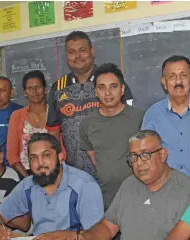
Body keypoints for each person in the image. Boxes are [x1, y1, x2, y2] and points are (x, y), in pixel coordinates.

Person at [67, 130, 190, 240]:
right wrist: (86, 237)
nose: (139, 163)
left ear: (163, 154)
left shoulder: (188, 192)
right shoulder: (129, 184)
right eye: (133, 156)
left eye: (146, 154)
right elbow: (108, 227)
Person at [0, 133, 103, 240]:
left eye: (46, 155)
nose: (40, 163)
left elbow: (97, 236)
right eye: (33, 158)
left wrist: (64, 236)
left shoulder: (85, 186)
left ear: (60, 157)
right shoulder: (28, 185)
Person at [46, 31, 134, 178]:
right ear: (66, 56)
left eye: (82, 51)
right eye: (72, 52)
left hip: (113, 168)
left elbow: (129, 122)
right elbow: (53, 132)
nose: (77, 56)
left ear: (92, 51)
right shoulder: (58, 88)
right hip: (74, 173)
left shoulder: (111, 81)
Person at [141, 55, 190, 190]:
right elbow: (146, 159)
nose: (178, 81)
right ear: (164, 83)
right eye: (172, 77)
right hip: (166, 196)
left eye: (183, 75)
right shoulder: (153, 115)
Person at [80, 63, 144, 210]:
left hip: (139, 196)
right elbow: (95, 159)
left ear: (122, 89)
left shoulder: (140, 118)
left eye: (113, 86)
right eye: (102, 87)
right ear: (96, 91)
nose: (107, 93)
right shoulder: (87, 124)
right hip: (106, 200)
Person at [7, 70, 65, 178]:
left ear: (45, 89)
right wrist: (28, 179)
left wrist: (59, 172)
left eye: (38, 87)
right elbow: (12, 155)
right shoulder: (16, 116)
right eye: (29, 88)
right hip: (27, 174)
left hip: (55, 172)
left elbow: (62, 147)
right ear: (24, 92)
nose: (34, 91)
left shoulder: (56, 112)